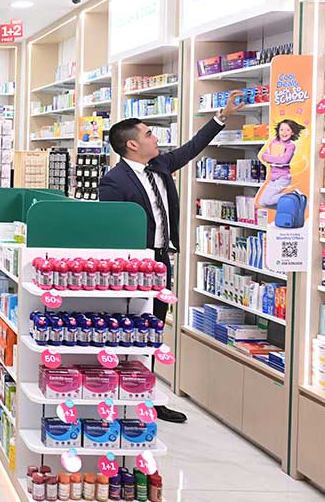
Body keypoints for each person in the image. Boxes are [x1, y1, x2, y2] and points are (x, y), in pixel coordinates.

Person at [99, 91, 247, 424]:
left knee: (154, 328)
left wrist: (222, 116)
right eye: (149, 133)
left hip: (162, 261)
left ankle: (147, 396)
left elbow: (192, 148)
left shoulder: (161, 165)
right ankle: (116, 391)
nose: (156, 138)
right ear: (132, 145)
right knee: (128, 327)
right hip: (134, 265)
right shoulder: (113, 182)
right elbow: (110, 230)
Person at [258, 119, 306, 207]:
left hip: (283, 178)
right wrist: (276, 159)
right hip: (273, 177)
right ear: (278, 131)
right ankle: (288, 205)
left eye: (288, 130)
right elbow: (264, 156)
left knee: (268, 200)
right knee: (262, 203)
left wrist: (271, 158)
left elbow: (284, 160)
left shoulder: (290, 146)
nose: (284, 132)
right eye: (281, 130)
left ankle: (294, 195)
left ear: (292, 132)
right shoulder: (274, 142)